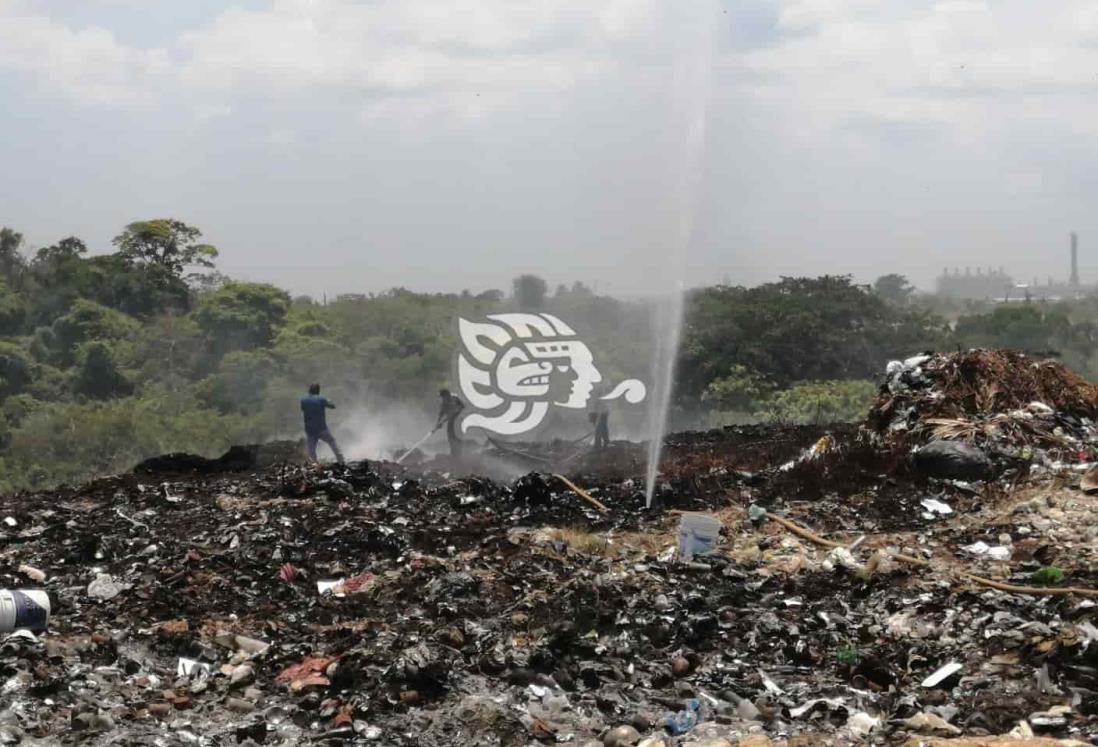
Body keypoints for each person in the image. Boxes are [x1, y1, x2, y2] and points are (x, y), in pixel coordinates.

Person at [300, 383, 344, 463]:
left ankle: (314, 464)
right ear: (318, 390)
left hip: (309, 429)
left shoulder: (303, 400)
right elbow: (333, 406)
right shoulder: (321, 399)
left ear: (309, 390)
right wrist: (329, 401)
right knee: (331, 442)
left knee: (311, 449)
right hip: (321, 428)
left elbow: (303, 409)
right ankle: (340, 459)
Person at [434, 388, 465, 458]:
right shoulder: (443, 404)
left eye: (443, 396)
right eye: (442, 397)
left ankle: (459, 454)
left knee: (458, 438)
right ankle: (454, 454)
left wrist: (459, 410)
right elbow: (441, 415)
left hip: (458, 421)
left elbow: (463, 406)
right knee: (451, 438)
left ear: (447, 395)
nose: (443, 398)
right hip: (451, 422)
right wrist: (437, 424)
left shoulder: (455, 399)